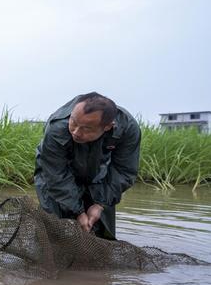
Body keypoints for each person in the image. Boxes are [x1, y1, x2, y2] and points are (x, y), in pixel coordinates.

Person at [34, 92, 141, 239]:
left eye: (86, 128)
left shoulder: (128, 128)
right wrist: (78, 212)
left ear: (108, 127)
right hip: (55, 173)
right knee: (55, 229)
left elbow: (124, 171)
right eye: (73, 122)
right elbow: (55, 175)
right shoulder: (56, 128)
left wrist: (99, 205)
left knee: (100, 227)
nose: (76, 132)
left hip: (98, 172)